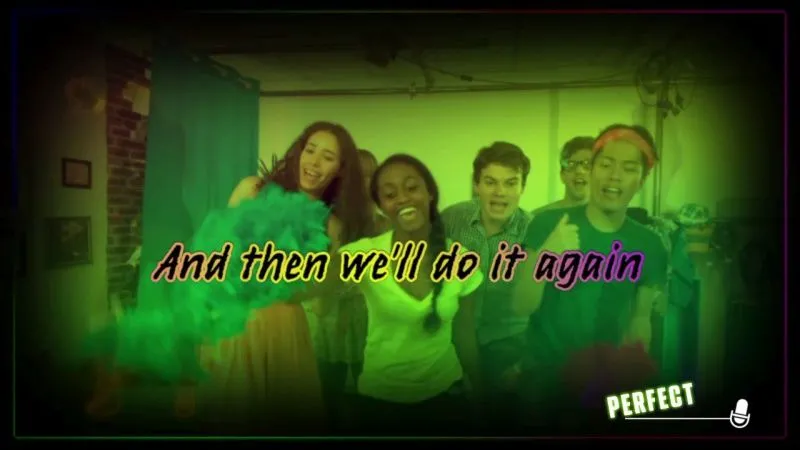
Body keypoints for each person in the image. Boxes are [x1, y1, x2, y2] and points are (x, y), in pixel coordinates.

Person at [183, 121, 372, 434]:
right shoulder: (252, 190)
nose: (314, 162)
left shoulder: (331, 227)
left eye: (327, 157)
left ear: (340, 170)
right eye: (310, 150)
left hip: (285, 331)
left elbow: (319, 298)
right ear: (299, 152)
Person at [511, 124, 669, 433]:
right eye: (606, 164)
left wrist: (636, 370)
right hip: (544, 384)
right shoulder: (548, 223)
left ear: (641, 180)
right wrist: (547, 254)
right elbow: (521, 304)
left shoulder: (650, 244)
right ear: (592, 168)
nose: (614, 176)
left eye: (628, 168)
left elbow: (640, 318)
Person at [315, 154, 484, 435]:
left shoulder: (461, 259)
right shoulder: (365, 253)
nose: (403, 198)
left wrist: (481, 394)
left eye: (412, 187)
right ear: (381, 207)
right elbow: (312, 283)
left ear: (430, 193)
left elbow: (465, 334)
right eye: (390, 195)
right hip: (379, 403)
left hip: (446, 398)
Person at [440, 142, 531, 433]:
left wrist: (523, 364)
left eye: (510, 183)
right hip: (451, 342)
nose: (499, 192)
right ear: (476, 185)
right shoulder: (450, 220)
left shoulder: (534, 232)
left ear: (522, 187)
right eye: (490, 182)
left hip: (508, 344)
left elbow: (549, 307)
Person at [311, 148, 390, 430]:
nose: (362, 183)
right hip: (328, 318)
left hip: (368, 319)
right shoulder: (326, 222)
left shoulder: (384, 225)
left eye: (368, 176)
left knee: (372, 397)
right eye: (355, 176)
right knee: (327, 396)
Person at [533, 136, 594, 215]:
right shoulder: (539, 217)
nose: (579, 171)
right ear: (562, 175)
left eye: (587, 164)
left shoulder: (608, 219)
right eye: (571, 164)